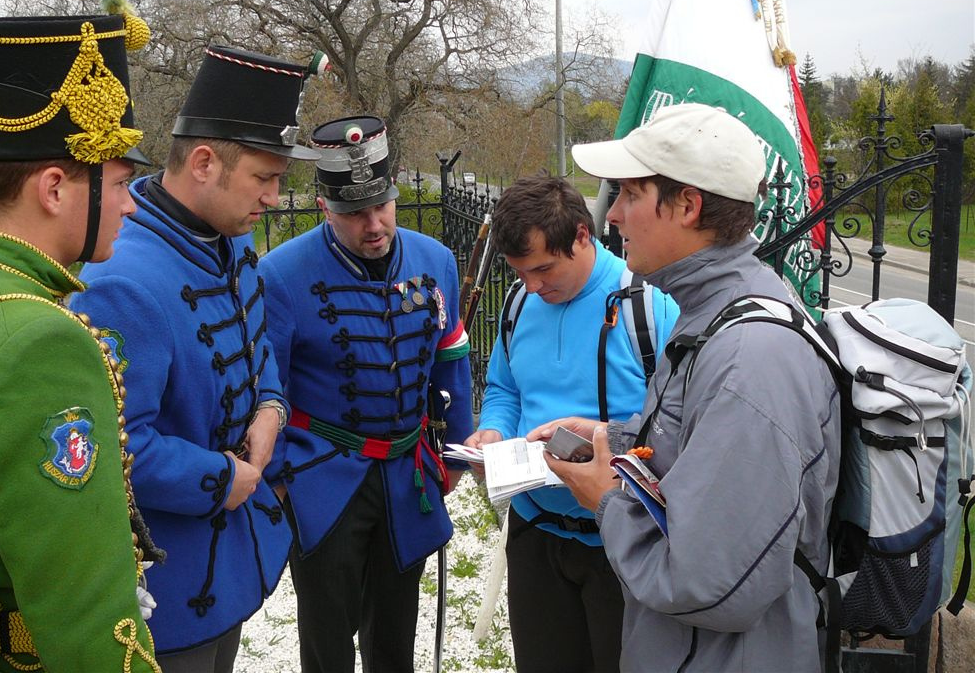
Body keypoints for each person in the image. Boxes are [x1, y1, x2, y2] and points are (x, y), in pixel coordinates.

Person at [539, 103, 840, 673]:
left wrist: (604, 499)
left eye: (629, 194)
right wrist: (612, 438)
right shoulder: (712, 314)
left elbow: (706, 582)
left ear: (686, 205)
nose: (614, 216)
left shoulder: (751, 359)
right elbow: (697, 451)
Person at [70, 45, 313, 671]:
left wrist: (271, 406)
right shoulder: (122, 281)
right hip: (169, 586)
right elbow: (113, 449)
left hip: (234, 562)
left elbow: (257, 350)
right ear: (205, 162)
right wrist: (222, 479)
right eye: (264, 178)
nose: (275, 198)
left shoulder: (228, 241)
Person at [0, 13, 160, 671]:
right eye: (122, 182)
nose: (132, 206)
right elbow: (86, 620)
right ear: (53, 188)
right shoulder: (42, 343)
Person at [260, 115, 473, 673]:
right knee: (327, 644)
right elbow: (268, 388)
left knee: (396, 636)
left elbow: (451, 361)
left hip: (408, 478)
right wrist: (281, 479)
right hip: (323, 479)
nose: (374, 224)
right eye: (355, 212)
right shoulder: (280, 274)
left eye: (382, 206)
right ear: (326, 208)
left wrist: (453, 456)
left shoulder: (436, 262)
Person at [464, 175, 679, 673]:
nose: (533, 287)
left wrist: (606, 437)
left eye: (543, 269)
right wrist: (495, 431)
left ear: (583, 235)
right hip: (534, 532)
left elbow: (681, 417)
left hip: (621, 543)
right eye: (520, 273)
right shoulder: (520, 304)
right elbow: (504, 388)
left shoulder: (649, 307)